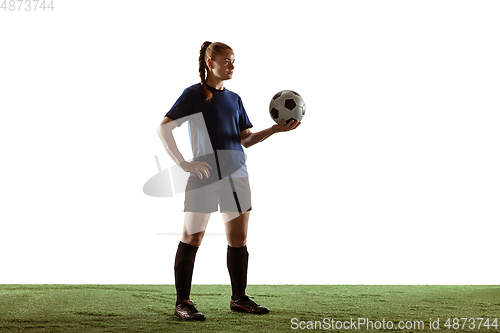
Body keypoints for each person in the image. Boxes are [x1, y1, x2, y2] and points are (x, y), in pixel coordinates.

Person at [157, 41, 301, 321]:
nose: (232, 65)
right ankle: (182, 302)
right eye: (227, 61)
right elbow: (164, 129)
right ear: (210, 64)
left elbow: (245, 139)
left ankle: (239, 299)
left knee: (239, 239)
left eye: (233, 61)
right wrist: (184, 163)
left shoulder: (235, 99)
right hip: (205, 176)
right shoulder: (194, 95)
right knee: (193, 237)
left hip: (237, 175)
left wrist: (274, 129)